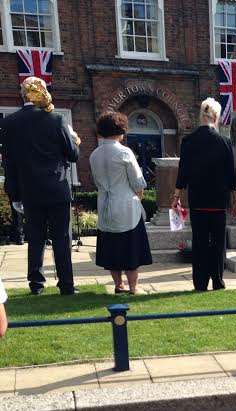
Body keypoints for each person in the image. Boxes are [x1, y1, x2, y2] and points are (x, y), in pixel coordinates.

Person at [0, 77, 80, 295]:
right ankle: (66, 285)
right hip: (56, 187)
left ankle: (36, 284)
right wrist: (73, 139)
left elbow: (9, 163)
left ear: (22, 94)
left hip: (29, 190)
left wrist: (14, 195)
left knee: (35, 238)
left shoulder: (8, 123)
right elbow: (72, 155)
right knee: (61, 239)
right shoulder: (56, 119)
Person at [172, 98, 236, 291]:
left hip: (198, 200)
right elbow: (232, 175)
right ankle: (218, 280)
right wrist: (235, 201)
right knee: (218, 243)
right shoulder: (225, 142)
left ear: (201, 116)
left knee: (200, 242)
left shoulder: (188, 141)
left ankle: (200, 283)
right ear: (216, 117)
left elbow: (182, 172)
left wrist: (176, 197)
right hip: (218, 201)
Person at [90, 112, 152, 295]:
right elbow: (138, 182)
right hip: (126, 207)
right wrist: (139, 196)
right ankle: (134, 287)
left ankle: (118, 285)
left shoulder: (94, 154)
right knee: (130, 249)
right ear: (121, 129)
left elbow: (96, 181)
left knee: (111, 249)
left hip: (105, 206)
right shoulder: (124, 152)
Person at [0, 148, 24, 245]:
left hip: (12, 185)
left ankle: (18, 235)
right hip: (19, 185)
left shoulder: (7, 155)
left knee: (16, 212)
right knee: (19, 212)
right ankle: (19, 235)